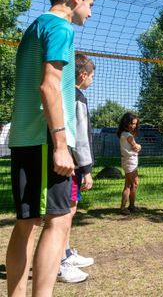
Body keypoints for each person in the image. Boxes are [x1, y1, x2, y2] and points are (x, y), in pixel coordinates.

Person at [6, 0, 98, 296]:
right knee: (57, 222)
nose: (90, 12)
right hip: (46, 140)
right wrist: (61, 144)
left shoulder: (35, 27)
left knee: (26, 224)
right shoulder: (61, 26)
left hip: (24, 138)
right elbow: (49, 86)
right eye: (90, 4)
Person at [57, 53, 95, 283]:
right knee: (65, 212)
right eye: (92, 76)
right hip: (72, 164)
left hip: (70, 161)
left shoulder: (68, 93)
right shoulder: (77, 97)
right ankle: (60, 261)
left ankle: (67, 253)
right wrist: (87, 168)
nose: (92, 80)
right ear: (83, 75)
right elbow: (80, 135)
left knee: (70, 208)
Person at [117, 112, 141, 215]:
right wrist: (140, 146)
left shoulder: (123, 134)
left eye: (135, 124)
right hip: (130, 161)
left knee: (128, 185)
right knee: (135, 184)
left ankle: (127, 207)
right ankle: (129, 206)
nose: (133, 126)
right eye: (132, 123)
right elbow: (136, 147)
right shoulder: (128, 135)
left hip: (127, 161)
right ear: (126, 123)